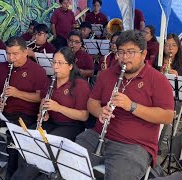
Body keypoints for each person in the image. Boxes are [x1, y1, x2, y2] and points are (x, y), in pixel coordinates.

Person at [75, 30, 175, 179]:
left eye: (131, 52)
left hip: (134, 146)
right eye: (121, 52)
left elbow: (167, 117)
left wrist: (132, 106)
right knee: (70, 163)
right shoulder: (107, 74)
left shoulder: (158, 80)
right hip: (98, 136)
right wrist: (100, 111)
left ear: (143, 54)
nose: (124, 58)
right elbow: (92, 102)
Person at [0, 36, 48, 180]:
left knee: (14, 141)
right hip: (2, 111)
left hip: (25, 114)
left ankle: (11, 176)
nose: (11, 58)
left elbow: (39, 97)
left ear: (25, 52)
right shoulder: (1, 68)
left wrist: (18, 93)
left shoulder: (37, 71)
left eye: (15, 54)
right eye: (8, 53)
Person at [10, 47, 91, 180]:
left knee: (42, 145)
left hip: (71, 126)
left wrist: (58, 108)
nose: (55, 67)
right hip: (51, 122)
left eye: (60, 63)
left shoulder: (80, 85)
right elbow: (43, 100)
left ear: (70, 66)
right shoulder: (51, 81)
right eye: (54, 62)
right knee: (26, 138)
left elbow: (83, 115)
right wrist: (44, 111)